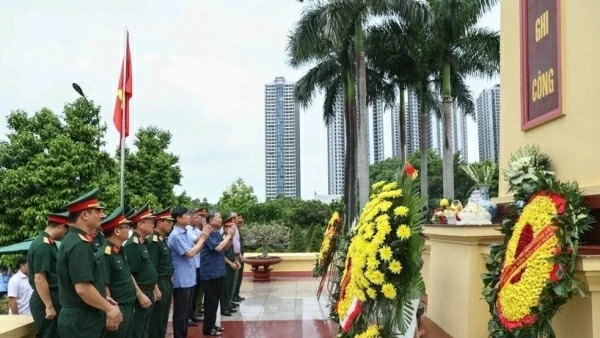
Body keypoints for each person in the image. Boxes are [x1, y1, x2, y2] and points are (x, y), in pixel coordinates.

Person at [56, 188, 122, 338]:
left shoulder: (72, 240)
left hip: (81, 315)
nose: (101, 215)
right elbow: (82, 288)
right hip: (82, 319)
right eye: (97, 211)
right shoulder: (79, 244)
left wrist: (102, 298)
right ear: (85, 215)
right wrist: (109, 309)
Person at [168, 206, 211, 338]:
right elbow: (190, 253)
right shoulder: (175, 235)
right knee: (181, 313)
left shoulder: (185, 232)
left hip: (189, 278)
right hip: (181, 280)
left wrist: (204, 237)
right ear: (178, 218)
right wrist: (203, 238)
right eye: (185, 215)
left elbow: (196, 249)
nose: (189, 217)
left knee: (186, 312)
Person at [97, 206, 137, 338]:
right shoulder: (104, 255)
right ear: (117, 231)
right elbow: (104, 285)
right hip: (117, 307)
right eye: (126, 227)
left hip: (128, 304)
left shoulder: (120, 250)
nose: (129, 229)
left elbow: (127, 275)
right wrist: (111, 312)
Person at [27, 212, 69, 337]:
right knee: (49, 334)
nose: (65, 234)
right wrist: (49, 306)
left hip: (50, 297)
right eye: (66, 229)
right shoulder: (43, 246)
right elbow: (39, 279)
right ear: (61, 226)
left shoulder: (48, 244)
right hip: (46, 299)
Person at [124, 203, 159, 338]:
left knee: (145, 329)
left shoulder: (142, 242)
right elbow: (129, 273)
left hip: (148, 290)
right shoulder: (132, 245)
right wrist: (139, 295)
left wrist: (154, 288)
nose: (153, 225)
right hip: (141, 292)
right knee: (137, 330)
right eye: (150, 222)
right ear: (140, 224)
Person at [200, 210, 234, 337]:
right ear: (210, 220)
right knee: (210, 301)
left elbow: (224, 247)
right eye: (218, 217)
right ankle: (207, 329)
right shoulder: (208, 233)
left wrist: (229, 237)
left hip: (217, 271)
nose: (221, 219)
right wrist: (229, 236)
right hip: (210, 272)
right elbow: (218, 248)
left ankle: (211, 324)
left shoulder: (216, 233)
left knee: (215, 300)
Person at [147, 207, 175, 338]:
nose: (171, 224)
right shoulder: (153, 241)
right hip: (159, 282)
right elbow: (152, 266)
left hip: (167, 281)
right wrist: (155, 287)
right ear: (159, 223)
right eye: (168, 222)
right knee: (157, 318)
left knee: (163, 316)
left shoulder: (162, 240)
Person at [185, 209, 203, 326]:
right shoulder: (187, 230)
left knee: (196, 292)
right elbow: (196, 241)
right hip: (192, 264)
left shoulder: (196, 229)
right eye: (195, 217)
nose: (198, 219)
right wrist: (205, 236)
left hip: (198, 264)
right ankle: (189, 316)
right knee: (190, 294)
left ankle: (193, 313)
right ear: (189, 217)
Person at [220, 213, 240, 316]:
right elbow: (221, 254)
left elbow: (232, 251)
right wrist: (230, 263)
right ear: (225, 227)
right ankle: (224, 308)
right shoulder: (223, 237)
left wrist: (235, 261)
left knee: (230, 286)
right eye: (230, 227)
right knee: (225, 288)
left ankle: (227, 304)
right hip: (226, 265)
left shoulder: (229, 237)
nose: (233, 229)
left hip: (232, 263)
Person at [232, 213, 246, 302]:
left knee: (239, 277)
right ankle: (233, 296)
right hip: (235, 256)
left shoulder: (237, 230)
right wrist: (239, 254)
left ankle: (236, 294)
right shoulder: (230, 229)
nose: (239, 223)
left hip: (240, 256)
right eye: (236, 219)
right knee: (234, 279)